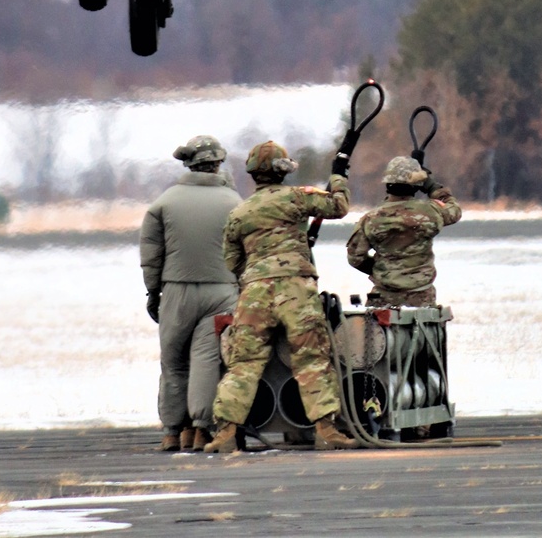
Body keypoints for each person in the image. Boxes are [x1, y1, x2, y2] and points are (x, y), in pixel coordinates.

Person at [205, 140, 356, 454]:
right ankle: (326, 431)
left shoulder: (239, 213)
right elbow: (338, 207)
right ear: (283, 171)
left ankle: (225, 435)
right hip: (296, 290)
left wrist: (257, 272)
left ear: (252, 175)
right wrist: (339, 176)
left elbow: (232, 262)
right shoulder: (298, 198)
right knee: (312, 359)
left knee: (243, 363)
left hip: (255, 291)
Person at [140, 134, 241, 452]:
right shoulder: (235, 203)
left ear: (188, 164)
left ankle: (172, 432)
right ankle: (200, 429)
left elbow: (152, 254)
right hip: (223, 291)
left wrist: (153, 292)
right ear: (217, 165)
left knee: (173, 362)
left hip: (176, 290)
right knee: (207, 360)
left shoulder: (164, 203)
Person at [346, 156, 462, 307]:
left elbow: (355, 257)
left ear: (388, 183)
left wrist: (384, 270)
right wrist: (431, 185)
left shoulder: (370, 219)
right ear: (416, 186)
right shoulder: (431, 212)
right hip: (422, 297)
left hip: (383, 297)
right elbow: (454, 210)